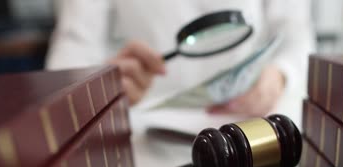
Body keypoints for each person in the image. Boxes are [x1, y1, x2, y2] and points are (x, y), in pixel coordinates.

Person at [46, 0, 315, 117]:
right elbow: (74, 48)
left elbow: (296, 31)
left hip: (250, 116)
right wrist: (100, 90)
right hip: (145, 125)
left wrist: (281, 74)